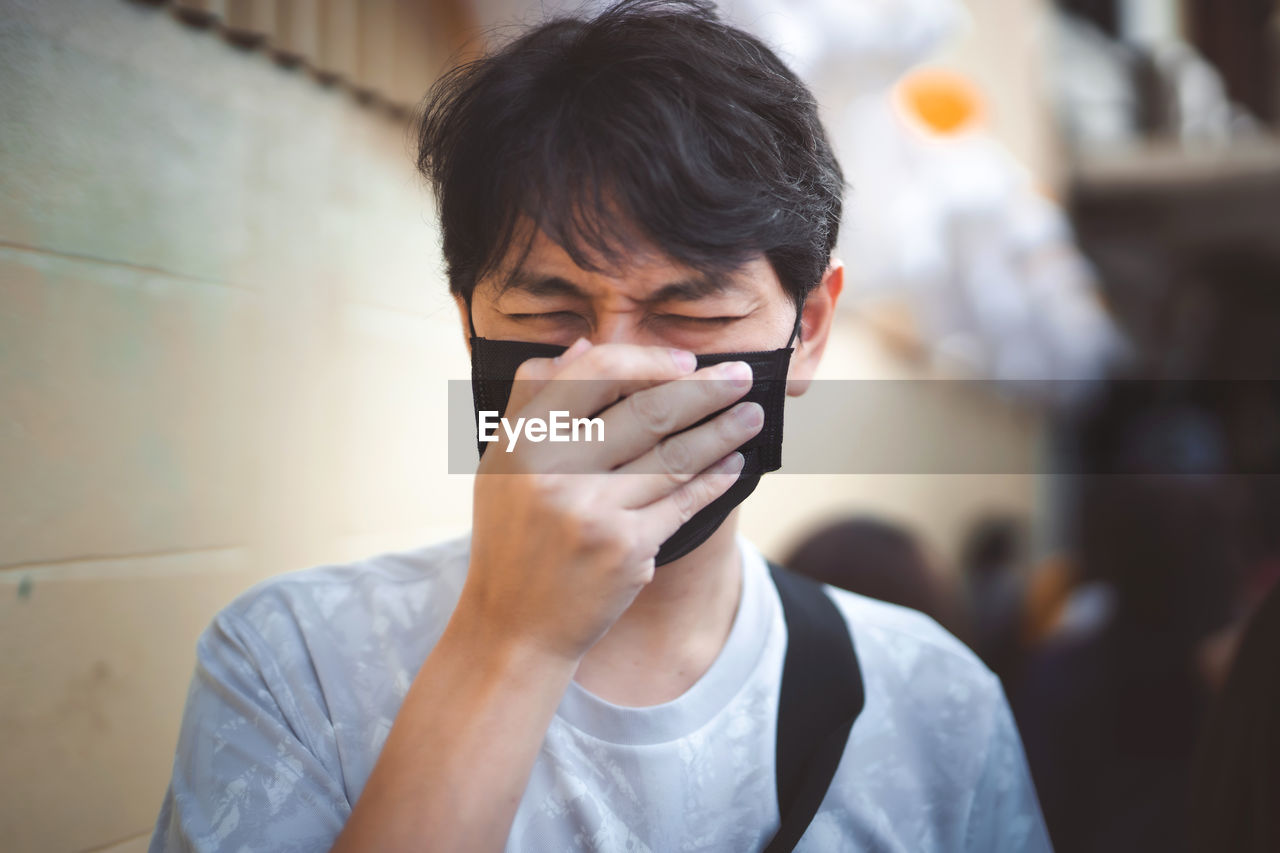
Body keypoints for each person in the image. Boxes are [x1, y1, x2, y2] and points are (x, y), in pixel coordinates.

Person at [149, 2, 1051, 850]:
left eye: (690, 314)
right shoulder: (291, 663)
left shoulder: (936, 703)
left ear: (807, 330)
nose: (613, 370)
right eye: (550, 314)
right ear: (471, 326)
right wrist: (514, 637)